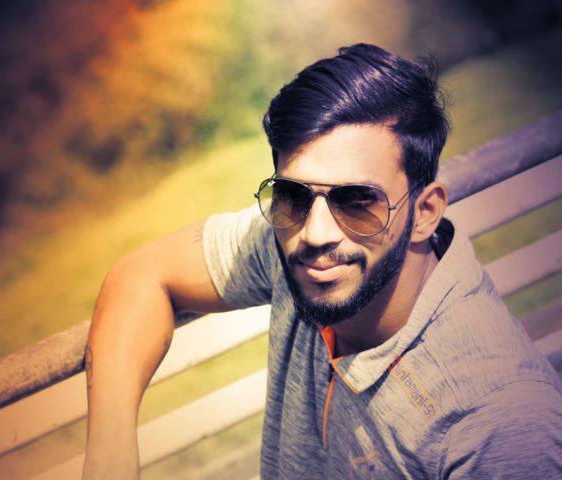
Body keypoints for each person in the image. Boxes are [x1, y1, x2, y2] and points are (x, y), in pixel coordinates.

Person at [82, 44, 562, 479]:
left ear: (425, 213)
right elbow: (141, 275)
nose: (315, 234)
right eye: (292, 195)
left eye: (357, 200)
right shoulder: (292, 238)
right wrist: (110, 460)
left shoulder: (498, 423)